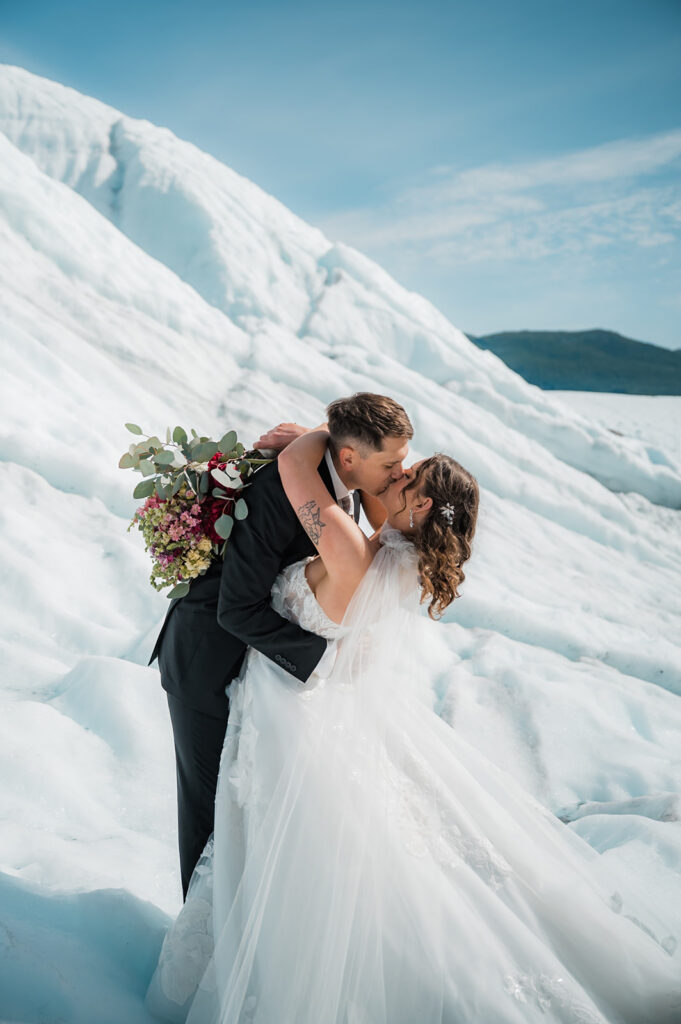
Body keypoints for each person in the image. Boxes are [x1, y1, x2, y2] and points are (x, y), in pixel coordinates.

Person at [146, 427, 680, 1024]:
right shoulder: (394, 556)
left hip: (281, 703)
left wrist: (327, 437)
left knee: (271, 842)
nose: (394, 476)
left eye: (404, 474)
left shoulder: (355, 550)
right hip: (289, 697)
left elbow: (299, 472)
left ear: (421, 506)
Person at [147, 394, 413, 899]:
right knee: (209, 813)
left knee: (247, 808)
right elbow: (236, 610)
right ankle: (202, 948)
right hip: (207, 663)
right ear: (352, 457)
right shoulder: (279, 489)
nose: (401, 472)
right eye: (391, 463)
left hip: (254, 669)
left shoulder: (339, 481)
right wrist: (325, 658)